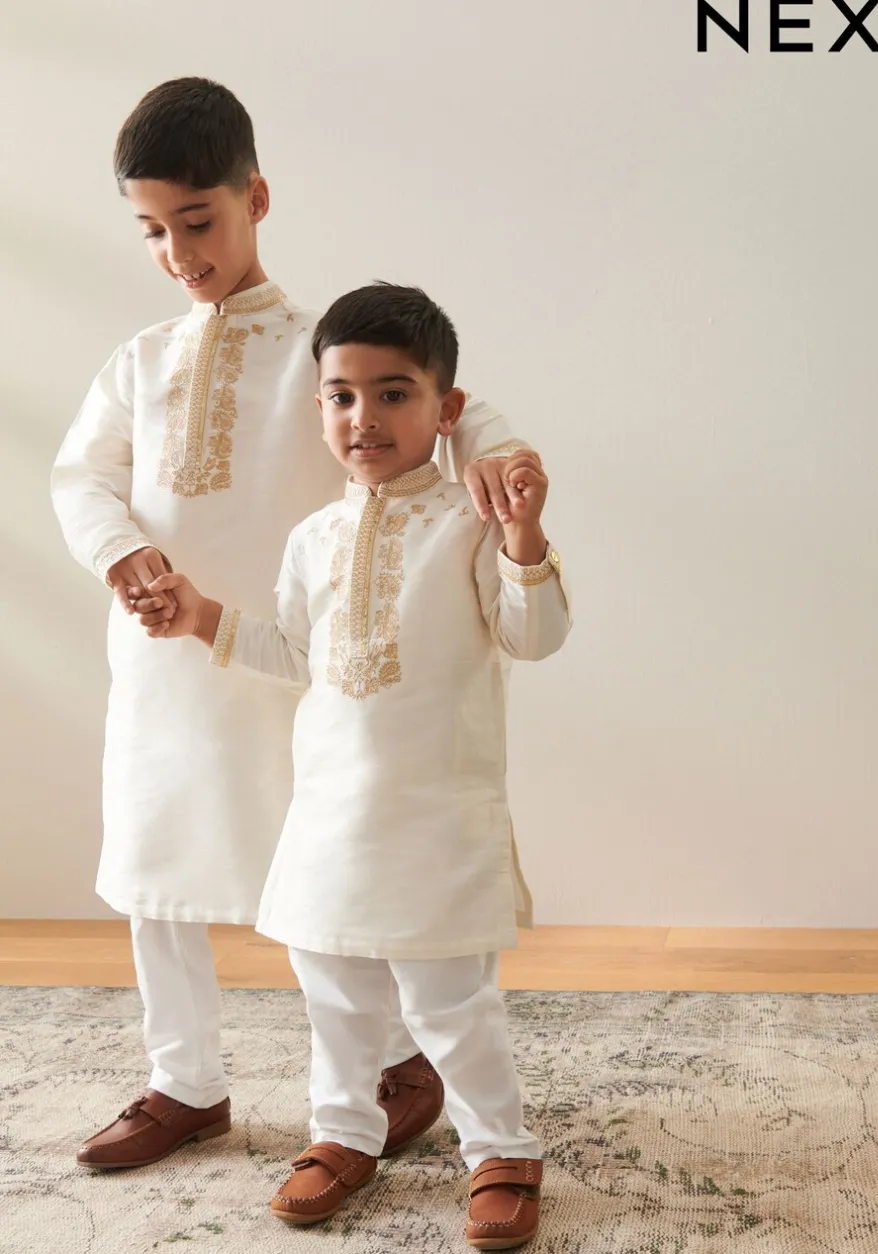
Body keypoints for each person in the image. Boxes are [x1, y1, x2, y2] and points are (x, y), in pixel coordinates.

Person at [51, 77, 542, 1171]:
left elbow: (449, 406)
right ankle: (184, 1080)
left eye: (198, 221)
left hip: (313, 666)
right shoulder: (139, 359)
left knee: (346, 874)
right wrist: (123, 552)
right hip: (172, 649)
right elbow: (81, 478)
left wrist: (503, 456)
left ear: (255, 198)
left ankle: (400, 1066)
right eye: (153, 231)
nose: (179, 253)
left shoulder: (325, 351)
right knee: (156, 868)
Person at [131, 283, 570, 1248]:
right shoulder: (313, 537)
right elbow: (298, 654)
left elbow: (532, 635)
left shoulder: (470, 523)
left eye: (393, 393)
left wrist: (524, 536)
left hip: (439, 813)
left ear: (447, 410)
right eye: (340, 396)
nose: (362, 417)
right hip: (329, 813)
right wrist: (201, 615)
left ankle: (501, 1152)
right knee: (332, 991)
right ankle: (344, 1135)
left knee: (449, 1003)